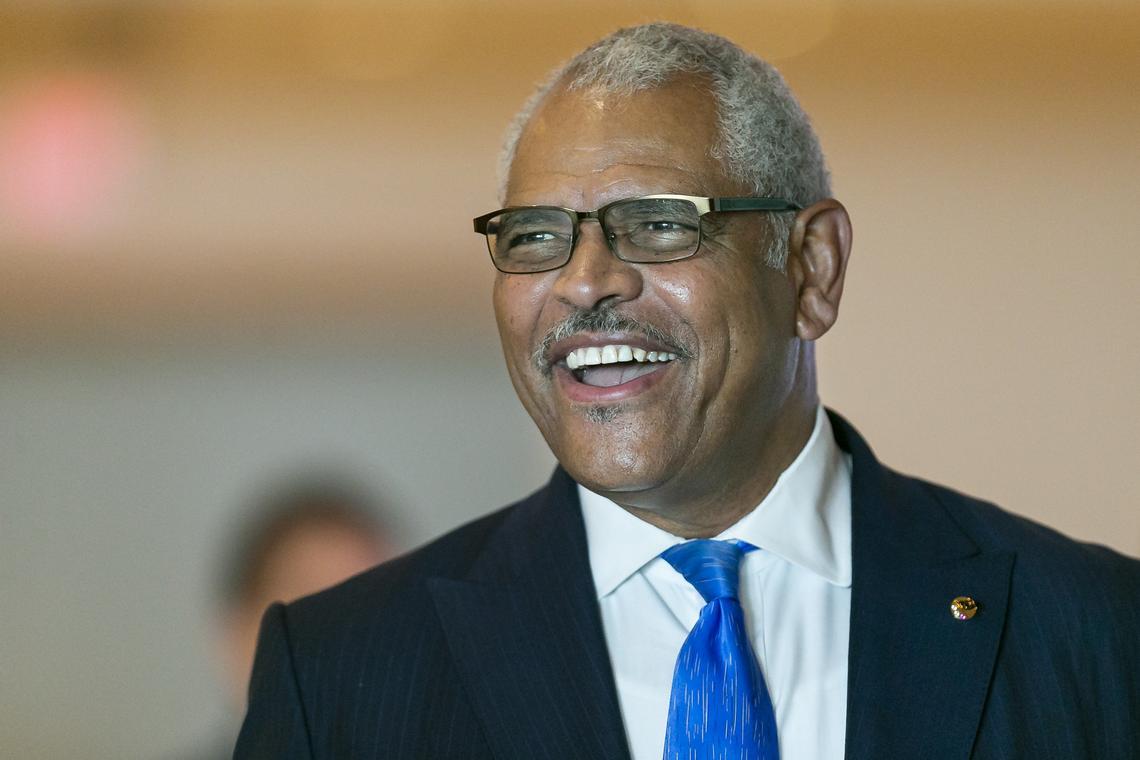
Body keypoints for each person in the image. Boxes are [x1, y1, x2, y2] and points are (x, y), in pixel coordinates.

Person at [235, 23, 1139, 760]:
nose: (585, 282)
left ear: (812, 269)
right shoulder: (341, 674)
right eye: (537, 236)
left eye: (659, 225)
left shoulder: (1096, 635)